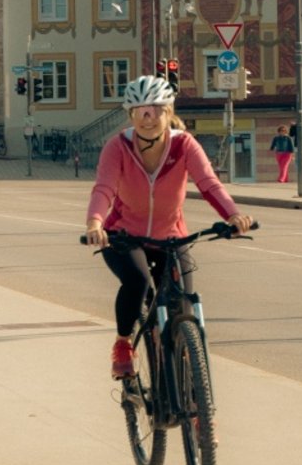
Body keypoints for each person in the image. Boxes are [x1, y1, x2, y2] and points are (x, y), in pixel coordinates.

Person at [84, 75, 254, 378]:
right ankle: (123, 344)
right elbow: (104, 189)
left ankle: (190, 379)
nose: (149, 118)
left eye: (157, 110)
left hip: (172, 236)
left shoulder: (184, 144)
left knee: (183, 301)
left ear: (169, 111)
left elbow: (208, 184)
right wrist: (95, 223)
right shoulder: (117, 147)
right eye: (141, 111)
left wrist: (233, 215)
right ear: (131, 114)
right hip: (124, 236)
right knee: (138, 283)